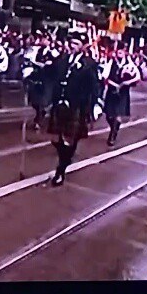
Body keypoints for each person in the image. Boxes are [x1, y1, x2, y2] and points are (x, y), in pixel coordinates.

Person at [46, 32, 100, 187]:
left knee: (70, 140)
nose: (72, 46)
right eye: (71, 43)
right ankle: (65, 158)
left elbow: (94, 87)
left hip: (77, 106)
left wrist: (95, 105)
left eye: (76, 43)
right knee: (58, 140)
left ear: (82, 46)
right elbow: (51, 74)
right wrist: (32, 73)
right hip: (59, 104)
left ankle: (61, 170)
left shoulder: (89, 64)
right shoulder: (62, 60)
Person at [102, 47, 141, 146]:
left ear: (125, 53)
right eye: (118, 52)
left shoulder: (130, 64)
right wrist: (112, 83)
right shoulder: (111, 62)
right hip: (112, 90)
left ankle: (112, 136)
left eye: (121, 52)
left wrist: (126, 83)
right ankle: (114, 127)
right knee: (109, 115)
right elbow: (104, 76)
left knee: (118, 113)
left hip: (123, 92)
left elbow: (137, 76)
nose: (119, 53)